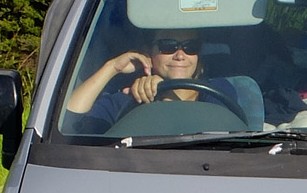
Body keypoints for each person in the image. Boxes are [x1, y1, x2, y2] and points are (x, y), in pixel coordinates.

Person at [62, 30, 242, 135]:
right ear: (148, 53)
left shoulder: (219, 90)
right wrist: (112, 68)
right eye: (168, 46)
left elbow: (216, 134)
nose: (180, 55)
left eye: (190, 47)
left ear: (199, 57)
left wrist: (163, 92)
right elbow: (68, 123)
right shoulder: (126, 99)